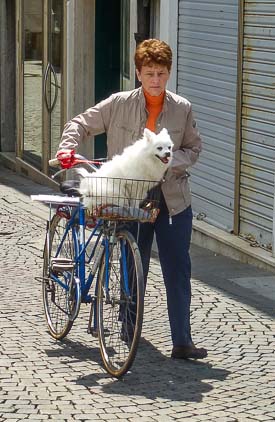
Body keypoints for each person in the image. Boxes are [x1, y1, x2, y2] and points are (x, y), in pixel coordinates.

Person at [57, 39, 207, 360]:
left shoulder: (182, 108)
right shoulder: (118, 103)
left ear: (169, 74)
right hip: (130, 196)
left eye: (162, 73)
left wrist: (168, 162)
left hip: (172, 200)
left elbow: (194, 148)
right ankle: (129, 327)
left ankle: (182, 340)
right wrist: (67, 147)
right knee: (130, 263)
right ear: (138, 73)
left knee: (177, 268)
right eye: (150, 73)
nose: (156, 80)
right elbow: (80, 123)